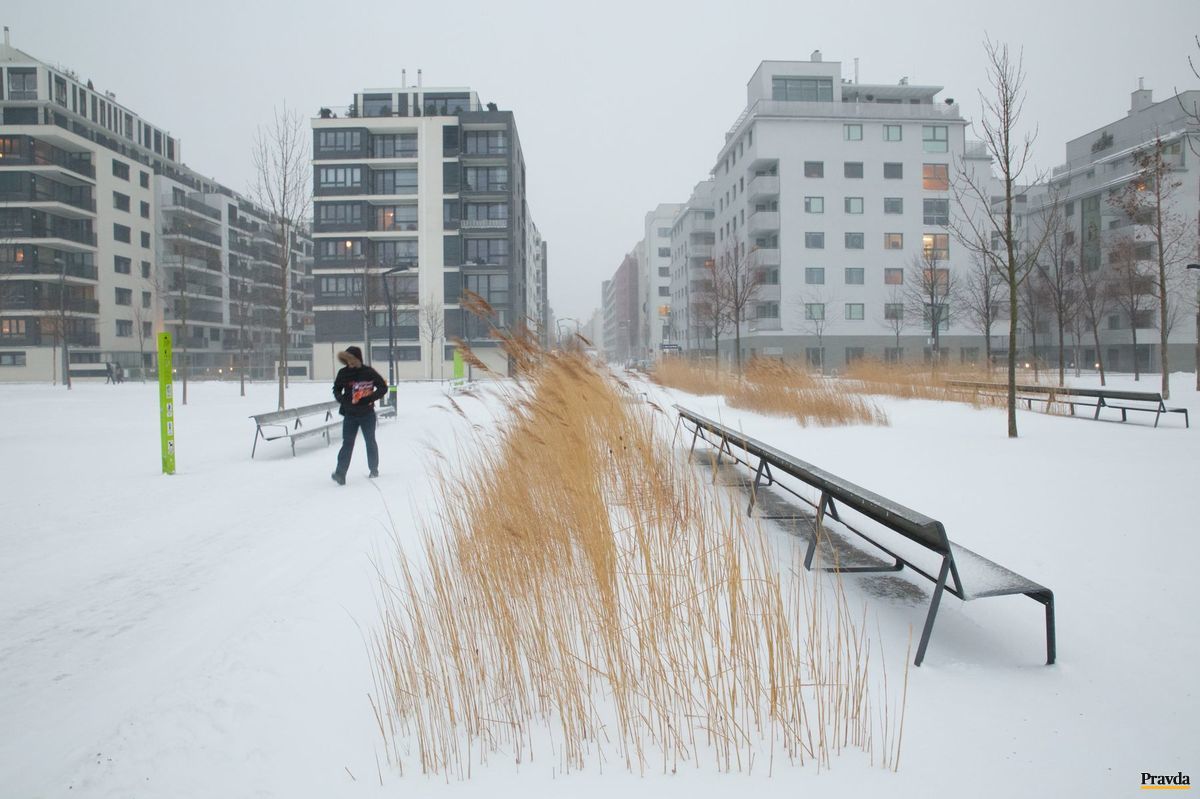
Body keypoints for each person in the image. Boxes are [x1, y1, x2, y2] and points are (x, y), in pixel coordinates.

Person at [330, 346, 388, 485]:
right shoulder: (343, 373)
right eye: (347, 359)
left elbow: (383, 387)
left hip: (367, 414)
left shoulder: (368, 372)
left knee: (370, 441)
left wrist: (369, 398)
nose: (349, 362)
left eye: (352, 359)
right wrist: (343, 399)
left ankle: (373, 469)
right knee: (347, 443)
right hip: (350, 414)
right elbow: (336, 389)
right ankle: (340, 474)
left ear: (358, 359)